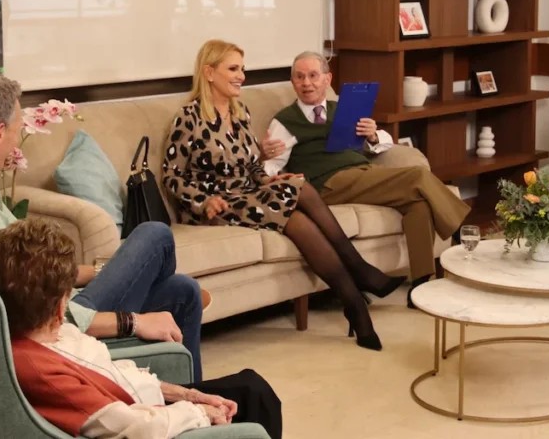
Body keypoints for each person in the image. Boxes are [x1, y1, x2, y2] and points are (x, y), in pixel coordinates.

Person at [0, 70, 206, 381]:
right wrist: (132, 321)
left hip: (58, 299)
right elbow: (32, 307)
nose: (17, 140)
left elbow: (34, 271)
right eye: (17, 129)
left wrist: (106, 269)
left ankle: (196, 401)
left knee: (183, 290)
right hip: (59, 317)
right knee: (155, 235)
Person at [162, 40, 400, 351]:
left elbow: (251, 168)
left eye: (242, 69)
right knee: (296, 205)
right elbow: (172, 175)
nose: (241, 76)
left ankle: (354, 300)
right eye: (233, 69)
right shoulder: (189, 117)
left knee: (298, 188)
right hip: (215, 204)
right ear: (209, 73)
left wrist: (271, 179)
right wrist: (203, 201)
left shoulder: (239, 113)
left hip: (247, 194)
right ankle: (359, 281)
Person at [0, 218, 282, 439]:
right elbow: (135, 428)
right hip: (148, 418)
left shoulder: (53, 333)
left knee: (250, 386)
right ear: (59, 307)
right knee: (254, 399)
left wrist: (190, 395)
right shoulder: (38, 369)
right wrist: (201, 413)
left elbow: (112, 373)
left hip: (146, 398)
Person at [260, 51, 471, 305]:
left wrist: (372, 135)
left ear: (327, 79)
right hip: (327, 184)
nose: (307, 83)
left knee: (418, 204)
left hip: (363, 173)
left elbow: (383, 145)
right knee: (417, 175)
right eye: (299, 77)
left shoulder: (344, 109)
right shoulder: (284, 122)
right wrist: (266, 159)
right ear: (293, 81)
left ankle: (420, 285)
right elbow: (270, 168)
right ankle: (460, 229)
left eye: (313, 75)